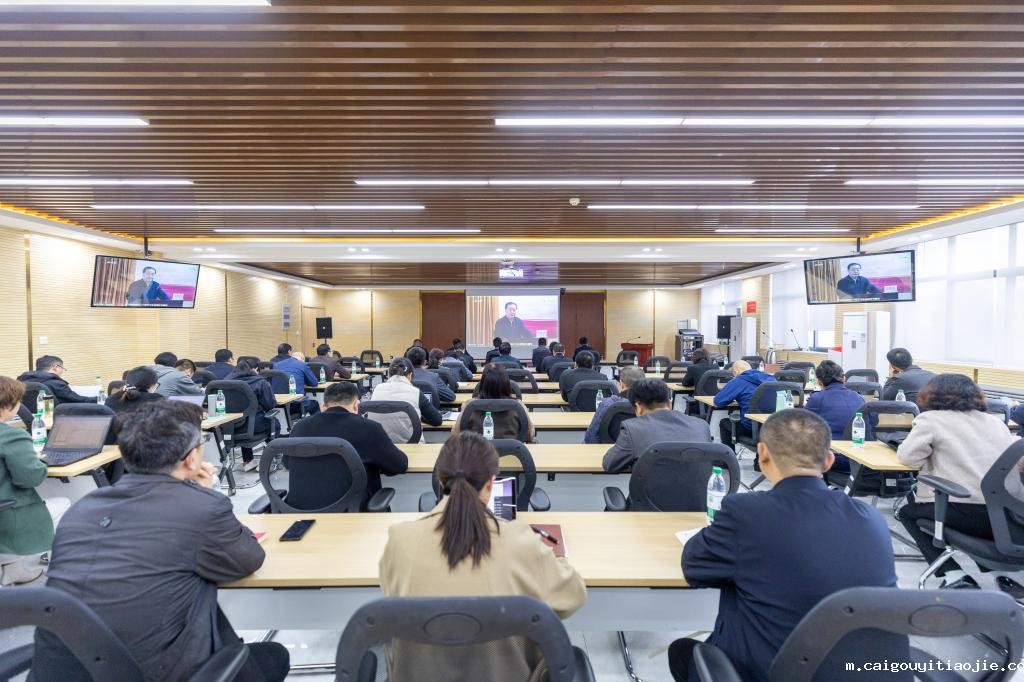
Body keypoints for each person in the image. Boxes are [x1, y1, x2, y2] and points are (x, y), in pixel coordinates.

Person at [31, 401, 290, 681]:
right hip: (152, 673)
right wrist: (203, 495)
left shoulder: (80, 510)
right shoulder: (202, 508)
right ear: (191, 459)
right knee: (274, 657)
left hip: (60, 672)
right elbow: (249, 559)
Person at [669, 409, 896, 682]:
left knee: (682, 653)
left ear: (762, 453)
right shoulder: (871, 518)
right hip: (866, 672)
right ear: (828, 461)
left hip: (774, 671)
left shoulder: (745, 512)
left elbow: (693, 567)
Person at [379, 432, 586, 681]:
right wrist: (555, 559)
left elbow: (391, 592)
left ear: (440, 480)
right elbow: (573, 596)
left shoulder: (400, 540)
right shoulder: (520, 542)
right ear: (490, 484)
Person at [895, 374, 1020, 590]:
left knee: (907, 512)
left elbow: (909, 458)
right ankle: (1002, 576)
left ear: (931, 395)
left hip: (964, 513)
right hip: (1007, 516)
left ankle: (954, 575)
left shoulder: (931, 419)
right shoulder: (995, 422)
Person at [287, 381, 408, 509]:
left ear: (323, 407)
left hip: (300, 513)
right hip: (354, 512)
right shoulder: (369, 429)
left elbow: (287, 463)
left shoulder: (299, 427)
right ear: (356, 405)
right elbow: (399, 465)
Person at [0, 376, 54, 585]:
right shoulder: (12, 437)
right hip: (8, 517)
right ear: (9, 406)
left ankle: (13, 568)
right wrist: (41, 462)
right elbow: (30, 478)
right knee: (65, 504)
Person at [603, 378, 712, 473]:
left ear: (638, 407)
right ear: (669, 404)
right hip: (699, 491)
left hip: (650, 491)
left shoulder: (632, 429)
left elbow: (609, 463)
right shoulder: (702, 426)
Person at [804, 360, 865, 473]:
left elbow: (802, 424)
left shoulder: (817, 399)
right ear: (844, 378)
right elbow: (874, 421)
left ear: (819, 381)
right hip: (861, 459)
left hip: (834, 458)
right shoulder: (860, 398)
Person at [453, 364, 535, 442]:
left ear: (483, 384)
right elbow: (529, 435)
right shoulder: (518, 406)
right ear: (507, 384)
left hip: (477, 451)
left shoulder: (470, 406)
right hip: (511, 451)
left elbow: (455, 434)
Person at [370, 358, 443, 443]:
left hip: (380, 445)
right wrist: (418, 416)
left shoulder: (377, 389)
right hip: (411, 446)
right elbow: (437, 420)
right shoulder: (416, 392)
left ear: (389, 374)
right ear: (410, 375)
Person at [226, 358, 279, 471]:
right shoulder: (260, 382)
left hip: (229, 427)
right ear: (253, 370)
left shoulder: (224, 382)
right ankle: (270, 460)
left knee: (247, 419)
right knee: (274, 423)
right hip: (254, 427)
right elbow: (270, 405)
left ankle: (248, 461)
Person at [713, 360, 774, 450]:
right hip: (772, 427)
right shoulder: (770, 378)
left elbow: (718, 401)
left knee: (724, 423)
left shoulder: (739, 380)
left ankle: (729, 457)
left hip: (750, 428)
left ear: (736, 372)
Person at [584, 366, 644, 444]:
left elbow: (590, 437)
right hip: (645, 450)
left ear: (621, 384)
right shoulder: (652, 405)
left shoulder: (607, 403)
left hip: (610, 449)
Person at [17, 355, 94, 405]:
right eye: (62, 368)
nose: (62, 371)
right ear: (56, 367)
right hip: (58, 417)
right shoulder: (55, 383)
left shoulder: (22, 381)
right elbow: (78, 400)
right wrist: (98, 399)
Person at [273, 350, 320, 415]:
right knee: (315, 404)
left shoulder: (276, 365)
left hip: (279, 405)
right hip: (296, 404)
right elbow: (314, 383)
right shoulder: (302, 364)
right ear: (302, 359)